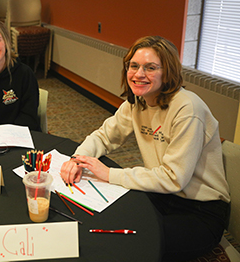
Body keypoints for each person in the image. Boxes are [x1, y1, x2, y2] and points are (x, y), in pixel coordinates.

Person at [60, 36, 230, 261]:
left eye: (150, 68)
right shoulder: (137, 102)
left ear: (167, 72)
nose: (139, 74)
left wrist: (109, 174)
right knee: (105, 218)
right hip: (160, 195)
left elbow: (173, 178)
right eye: (134, 66)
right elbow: (104, 136)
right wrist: (77, 159)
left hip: (199, 210)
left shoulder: (187, 108)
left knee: (126, 240)